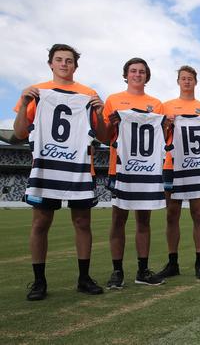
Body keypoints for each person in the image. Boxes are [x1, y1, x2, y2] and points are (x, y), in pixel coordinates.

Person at [13, 44, 106, 300]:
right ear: (51, 64)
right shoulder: (37, 92)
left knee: (82, 222)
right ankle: (39, 281)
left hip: (78, 167)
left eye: (69, 60)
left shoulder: (88, 94)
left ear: (75, 66)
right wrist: (24, 104)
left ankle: (84, 277)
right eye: (59, 60)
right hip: (46, 165)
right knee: (41, 222)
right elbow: (20, 132)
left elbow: (104, 135)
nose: (64, 64)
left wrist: (99, 111)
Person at [102, 58, 166, 288]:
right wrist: (111, 123)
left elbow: (163, 135)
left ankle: (142, 270)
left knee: (143, 220)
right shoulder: (113, 100)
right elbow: (103, 135)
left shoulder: (157, 105)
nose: (137, 75)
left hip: (147, 169)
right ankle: (117, 271)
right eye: (133, 71)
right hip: (119, 167)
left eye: (141, 71)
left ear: (146, 76)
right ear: (126, 74)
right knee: (118, 219)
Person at [157, 66, 200, 280]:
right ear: (178, 81)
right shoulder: (166, 106)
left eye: (190, 78)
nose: (187, 82)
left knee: (198, 214)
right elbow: (159, 139)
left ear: (195, 82)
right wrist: (167, 125)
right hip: (172, 165)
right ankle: (173, 263)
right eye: (183, 78)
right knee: (172, 215)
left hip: (197, 166)